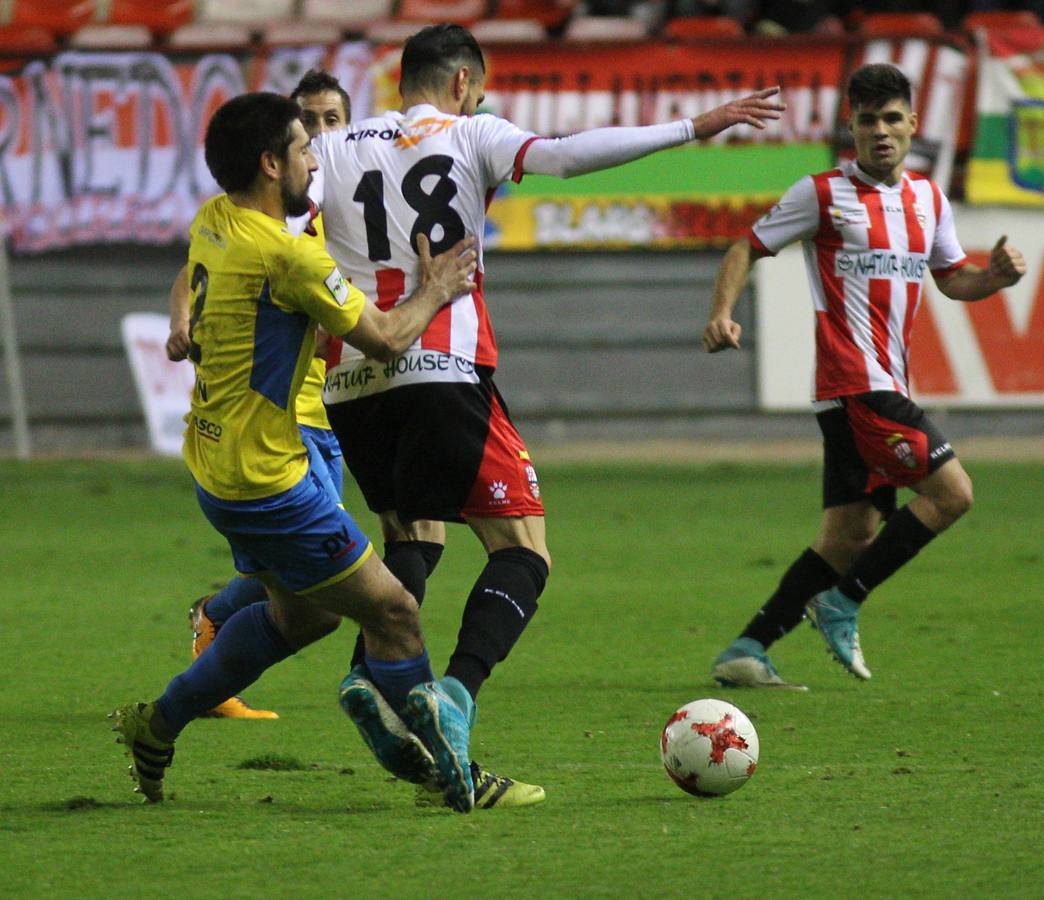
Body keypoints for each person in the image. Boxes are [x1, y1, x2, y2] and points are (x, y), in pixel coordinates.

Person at [307, 23, 783, 804]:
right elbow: (566, 154)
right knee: (524, 547)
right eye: (481, 87)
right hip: (443, 366)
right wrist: (694, 126)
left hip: (353, 381)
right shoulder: (471, 132)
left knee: (414, 534)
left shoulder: (330, 147)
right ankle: (451, 696)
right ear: (462, 82)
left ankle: (369, 673)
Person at [111, 91, 481, 809]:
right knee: (395, 611)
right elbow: (387, 337)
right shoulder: (288, 257)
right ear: (270, 163)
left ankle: (157, 724)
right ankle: (451, 770)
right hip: (268, 482)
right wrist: (435, 290)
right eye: (303, 147)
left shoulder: (214, 220)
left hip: (218, 467)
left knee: (305, 614)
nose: (316, 157)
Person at [704, 63, 1026, 690]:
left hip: (874, 390)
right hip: (857, 382)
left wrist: (996, 278)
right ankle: (843, 601)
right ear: (850, 125)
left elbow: (955, 279)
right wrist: (721, 313)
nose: (880, 131)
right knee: (953, 493)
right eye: (867, 119)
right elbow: (746, 246)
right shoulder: (821, 193)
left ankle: (748, 647)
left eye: (891, 118)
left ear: (912, 124)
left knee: (850, 532)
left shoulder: (930, 200)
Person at [164, 69, 357, 721]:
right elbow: (191, 270)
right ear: (274, 156)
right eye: (310, 123)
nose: (321, 136)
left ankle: (210, 627)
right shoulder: (268, 228)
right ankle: (206, 666)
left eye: (333, 120)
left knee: (298, 575)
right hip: (285, 419)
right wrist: (181, 318)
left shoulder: (349, 202)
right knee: (331, 587)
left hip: (329, 398)